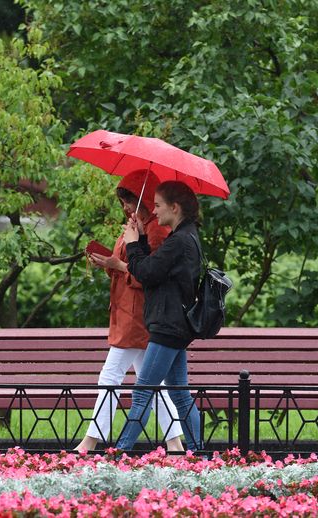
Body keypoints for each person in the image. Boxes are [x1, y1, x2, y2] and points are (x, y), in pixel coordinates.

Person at [74, 170, 185, 453]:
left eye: (129, 199)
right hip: (127, 311)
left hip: (137, 316)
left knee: (110, 377)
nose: (125, 206)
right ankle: (174, 444)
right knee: (153, 383)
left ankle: (90, 442)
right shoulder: (137, 225)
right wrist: (110, 263)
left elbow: (150, 276)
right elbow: (129, 266)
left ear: (144, 199)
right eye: (123, 200)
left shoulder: (156, 230)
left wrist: (121, 261)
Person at [115, 180, 204, 453]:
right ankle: (198, 453)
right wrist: (140, 239)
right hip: (176, 326)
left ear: (174, 208)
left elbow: (146, 273)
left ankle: (120, 453)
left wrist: (132, 244)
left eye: (158, 205)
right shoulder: (187, 236)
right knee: (179, 394)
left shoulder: (178, 241)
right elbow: (153, 270)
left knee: (143, 391)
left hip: (167, 326)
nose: (154, 210)